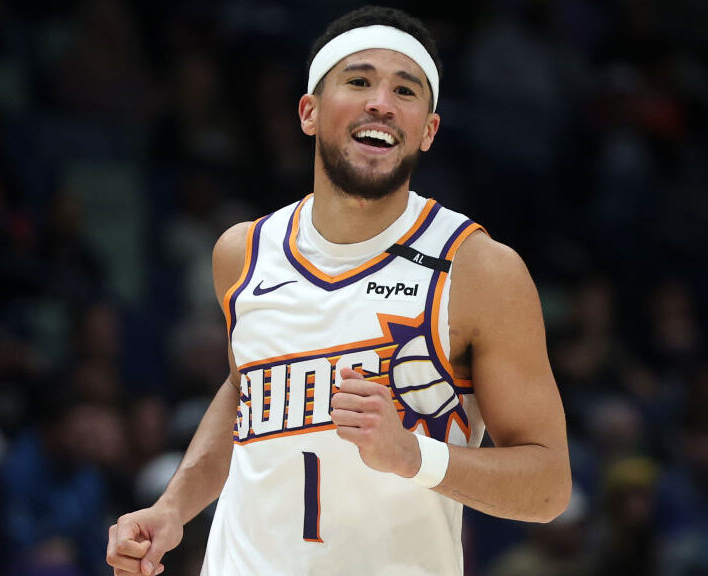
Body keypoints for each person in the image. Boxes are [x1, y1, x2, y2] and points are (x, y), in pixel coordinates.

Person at [106, 6, 571, 575]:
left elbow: (549, 489)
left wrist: (414, 456)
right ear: (309, 112)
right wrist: (174, 506)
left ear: (428, 130)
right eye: (358, 81)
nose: (382, 102)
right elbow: (245, 386)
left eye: (406, 90)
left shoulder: (478, 269)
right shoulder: (242, 252)